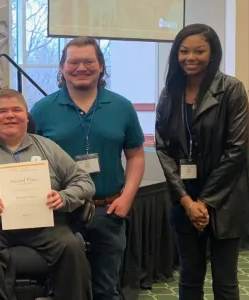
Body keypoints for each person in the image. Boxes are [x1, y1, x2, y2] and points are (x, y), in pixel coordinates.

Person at [0, 89, 94, 300]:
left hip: (43, 222)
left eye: (16, 110)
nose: (10, 115)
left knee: (72, 246)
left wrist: (65, 197)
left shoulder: (48, 147)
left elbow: (84, 182)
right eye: (2, 111)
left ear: (27, 117)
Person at [31, 36, 145, 300]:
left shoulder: (122, 107)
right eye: (73, 62)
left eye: (88, 61)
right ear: (61, 68)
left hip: (109, 209)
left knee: (107, 289)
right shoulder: (42, 109)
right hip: (60, 215)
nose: (81, 68)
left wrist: (127, 197)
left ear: (101, 66)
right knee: (65, 288)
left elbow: (136, 155)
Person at [154, 23, 249, 300]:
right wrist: (187, 202)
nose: (190, 57)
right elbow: (162, 149)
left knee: (225, 281)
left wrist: (204, 203)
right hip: (184, 197)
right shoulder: (169, 92)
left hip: (225, 198)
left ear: (213, 53)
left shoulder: (231, 89)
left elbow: (238, 151)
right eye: (184, 51)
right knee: (189, 278)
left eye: (199, 51)